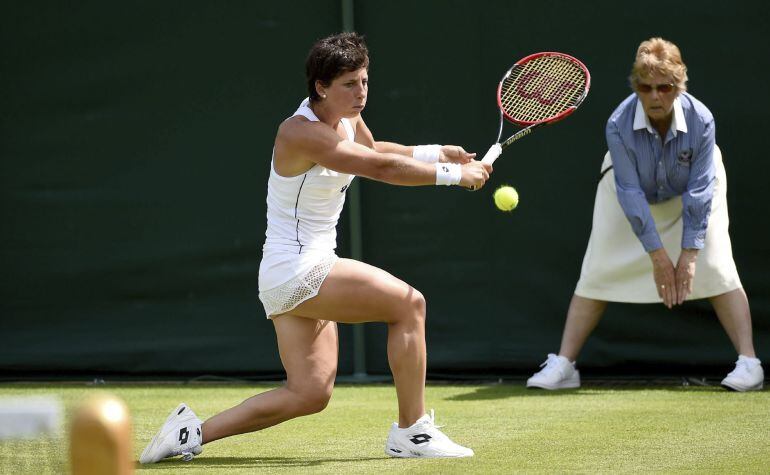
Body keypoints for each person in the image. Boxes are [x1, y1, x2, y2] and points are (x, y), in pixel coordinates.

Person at [139, 32, 492, 464]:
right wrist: (455, 176)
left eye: (364, 81)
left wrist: (438, 152)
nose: (361, 92)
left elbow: (375, 148)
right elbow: (375, 166)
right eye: (349, 84)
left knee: (309, 393)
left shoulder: (345, 118)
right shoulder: (300, 132)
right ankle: (412, 433)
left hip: (289, 272)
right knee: (409, 305)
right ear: (321, 87)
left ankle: (189, 432)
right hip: (299, 267)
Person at [527, 37, 763, 392]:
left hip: (692, 193)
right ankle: (565, 365)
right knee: (597, 270)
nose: (655, 96)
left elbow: (700, 191)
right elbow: (630, 192)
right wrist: (658, 255)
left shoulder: (702, 121)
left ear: (679, 86)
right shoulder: (617, 124)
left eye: (665, 87)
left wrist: (689, 253)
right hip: (628, 192)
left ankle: (749, 363)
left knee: (717, 266)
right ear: (636, 87)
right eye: (646, 87)